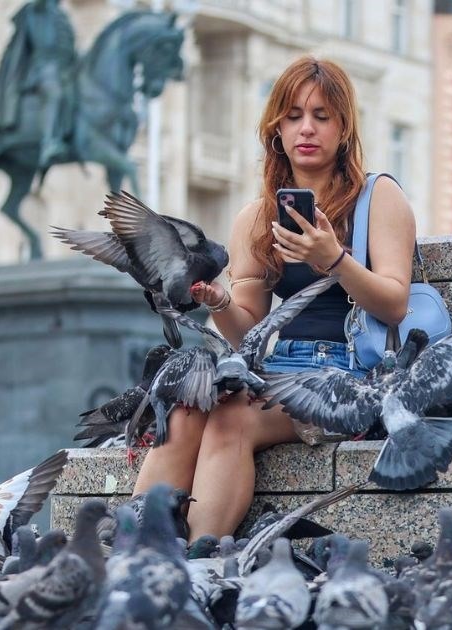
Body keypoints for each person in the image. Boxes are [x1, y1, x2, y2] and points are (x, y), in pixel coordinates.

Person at [131, 57, 417, 539]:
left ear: (344, 128)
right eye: (294, 115)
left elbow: (394, 304)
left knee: (230, 420)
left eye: (322, 116)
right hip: (275, 370)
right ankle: (132, 550)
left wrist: (335, 260)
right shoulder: (257, 217)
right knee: (182, 411)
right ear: (275, 128)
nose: (307, 128)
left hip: (353, 377)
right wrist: (220, 302)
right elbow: (249, 332)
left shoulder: (379, 197)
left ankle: (202, 566)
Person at [0, 0, 76, 168]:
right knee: (53, 92)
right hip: (41, 67)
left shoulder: (61, 15)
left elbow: (70, 46)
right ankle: (49, 142)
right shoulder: (38, 9)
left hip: (65, 68)